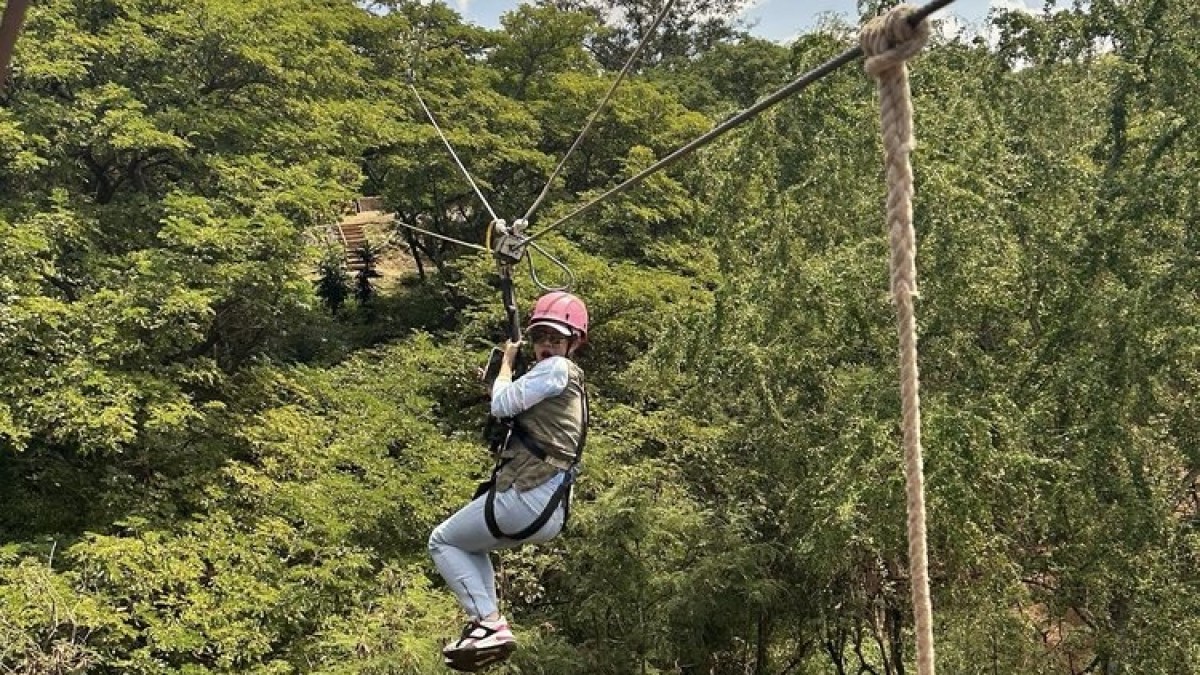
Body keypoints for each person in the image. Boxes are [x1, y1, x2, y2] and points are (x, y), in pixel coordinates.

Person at [429, 291, 589, 672]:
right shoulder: (564, 383)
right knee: (471, 547)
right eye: (540, 338)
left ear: (573, 343)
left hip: (527, 497)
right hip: (548, 509)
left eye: (555, 339)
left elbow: (502, 403)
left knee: (443, 540)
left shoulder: (557, 370)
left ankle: (488, 623)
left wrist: (505, 365)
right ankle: (488, 623)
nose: (546, 346)